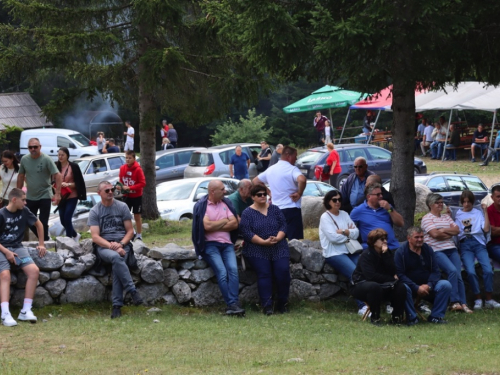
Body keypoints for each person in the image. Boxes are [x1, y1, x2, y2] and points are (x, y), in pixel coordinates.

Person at [88, 181, 144, 318]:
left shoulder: (122, 206)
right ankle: (132, 291)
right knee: (115, 258)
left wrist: (121, 244)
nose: (111, 192)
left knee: (117, 265)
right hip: (105, 246)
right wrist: (112, 246)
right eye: (107, 190)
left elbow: (130, 231)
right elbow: (95, 237)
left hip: (123, 245)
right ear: (99, 193)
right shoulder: (95, 211)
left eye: (112, 189)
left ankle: (116, 307)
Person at [191, 180, 245, 316]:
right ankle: (232, 304)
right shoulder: (202, 206)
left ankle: (232, 304)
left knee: (233, 270)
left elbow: (235, 224)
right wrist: (225, 220)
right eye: (222, 189)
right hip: (210, 245)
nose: (225, 191)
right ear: (212, 191)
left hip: (227, 244)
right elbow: (206, 227)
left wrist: (215, 224)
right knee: (222, 272)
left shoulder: (226, 203)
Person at [239, 184, 290, 315]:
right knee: (264, 273)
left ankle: (282, 303)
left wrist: (277, 238)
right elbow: (246, 232)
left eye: (264, 194)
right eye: (259, 195)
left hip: (278, 246)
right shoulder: (247, 213)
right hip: (256, 249)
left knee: (282, 272)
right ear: (253, 197)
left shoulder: (275, 209)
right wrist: (263, 242)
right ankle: (267, 305)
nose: (262, 197)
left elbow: (283, 225)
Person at [0, 188, 46, 326]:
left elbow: (39, 224)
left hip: (18, 248)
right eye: (23, 200)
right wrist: (7, 252)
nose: (26, 203)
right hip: (1, 248)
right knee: (5, 275)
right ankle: (5, 313)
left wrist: (42, 244)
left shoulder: (24, 211)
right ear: (14, 199)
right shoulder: (1, 214)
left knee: (34, 271)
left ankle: (26, 310)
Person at [319, 189, 367, 316]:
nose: (337, 202)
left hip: (350, 250)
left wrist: (344, 231)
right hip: (334, 253)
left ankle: (369, 302)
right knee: (354, 273)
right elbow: (333, 239)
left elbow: (356, 233)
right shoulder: (325, 217)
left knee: (363, 272)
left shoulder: (345, 214)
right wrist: (349, 233)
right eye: (334, 200)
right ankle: (362, 306)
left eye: (339, 199)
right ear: (328, 201)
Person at [351, 229, 410, 325]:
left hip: (382, 283)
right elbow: (370, 276)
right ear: (374, 242)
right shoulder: (366, 255)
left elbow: (393, 270)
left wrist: (386, 255)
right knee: (374, 287)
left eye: (386, 239)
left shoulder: (387, 252)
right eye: (382, 239)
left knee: (400, 287)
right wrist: (391, 279)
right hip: (361, 284)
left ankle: (396, 317)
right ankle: (375, 317)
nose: (385, 241)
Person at [395, 227, 452, 324]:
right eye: (417, 237)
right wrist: (416, 287)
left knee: (445, 285)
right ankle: (412, 318)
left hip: (428, 286)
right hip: (410, 286)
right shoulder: (401, 252)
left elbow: (435, 271)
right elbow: (400, 274)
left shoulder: (428, 249)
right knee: (402, 287)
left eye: (422, 237)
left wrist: (428, 285)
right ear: (409, 238)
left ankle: (436, 317)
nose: (420, 240)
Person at [421, 193, 467, 312]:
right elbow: (435, 235)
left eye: (441, 202)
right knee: (452, 271)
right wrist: (447, 233)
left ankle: (464, 303)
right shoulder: (427, 218)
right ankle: (454, 302)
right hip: (437, 250)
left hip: (451, 248)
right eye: (438, 202)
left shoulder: (446, 217)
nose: (441, 204)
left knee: (458, 275)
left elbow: (457, 230)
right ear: (431, 204)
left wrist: (443, 230)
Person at [455, 191, 500, 310]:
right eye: (464, 202)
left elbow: (485, 229)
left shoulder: (478, 212)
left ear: (472, 202)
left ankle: (489, 299)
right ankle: (478, 298)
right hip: (465, 244)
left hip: (478, 243)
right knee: (470, 271)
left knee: (488, 270)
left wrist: (485, 212)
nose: (466, 204)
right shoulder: (458, 214)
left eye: (468, 202)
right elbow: (456, 232)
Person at [253, 146, 306, 240]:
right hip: (291, 208)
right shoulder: (292, 169)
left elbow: (255, 181)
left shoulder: (271, 169)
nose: (296, 159)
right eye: (295, 156)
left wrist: (268, 192)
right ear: (288, 155)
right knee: (295, 242)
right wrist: (299, 193)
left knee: (278, 240)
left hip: (276, 210)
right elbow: (302, 179)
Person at [17, 138, 61, 241]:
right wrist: (18, 193)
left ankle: (44, 243)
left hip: (45, 194)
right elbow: (20, 175)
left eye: (35, 147)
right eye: (30, 147)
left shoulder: (46, 159)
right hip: (30, 196)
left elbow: (58, 175)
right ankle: (45, 239)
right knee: (29, 220)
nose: (33, 149)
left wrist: (57, 194)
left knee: (43, 221)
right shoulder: (24, 159)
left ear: (40, 147)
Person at [351, 183, 403, 251]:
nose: (381, 196)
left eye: (381, 194)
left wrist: (389, 209)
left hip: (392, 246)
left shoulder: (387, 207)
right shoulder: (358, 211)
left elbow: (401, 223)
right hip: (373, 249)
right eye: (378, 194)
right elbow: (350, 229)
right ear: (368, 196)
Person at [55, 147, 87, 242]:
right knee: (62, 220)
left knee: (67, 218)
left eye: (62, 155)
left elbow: (79, 182)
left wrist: (68, 184)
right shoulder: (56, 166)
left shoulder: (73, 166)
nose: (60, 157)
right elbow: (53, 180)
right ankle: (75, 235)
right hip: (61, 196)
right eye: (59, 155)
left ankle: (69, 240)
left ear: (67, 156)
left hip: (72, 195)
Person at [118, 151, 146, 241]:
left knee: (137, 215)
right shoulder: (122, 168)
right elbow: (121, 181)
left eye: (130, 158)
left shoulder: (138, 169)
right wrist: (120, 186)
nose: (128, 160)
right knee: (124, 215)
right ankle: (129, 232)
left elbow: (143, 183)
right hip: (126, 196)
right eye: (126, 158)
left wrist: (130, 188)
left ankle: (139, 234)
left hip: (136, 196)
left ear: (134, 158)